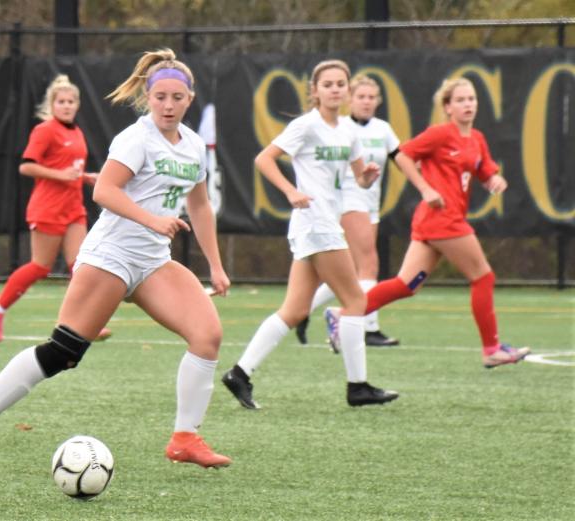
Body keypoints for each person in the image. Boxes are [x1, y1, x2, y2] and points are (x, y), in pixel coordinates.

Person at [0, 49, 233, 469]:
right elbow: (104, 191)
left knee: (207, 336)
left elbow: (199, 206)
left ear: (190, 98)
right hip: (112, 256)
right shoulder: (136, 139)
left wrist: (215, 265)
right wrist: (152, 220)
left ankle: (185, 438)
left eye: (177, 97)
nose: (169, 105)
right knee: (64, 352)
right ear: (147, 96)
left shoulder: (193, 146)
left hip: (153, 263)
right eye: (160, 97)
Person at [221, 60, 399, 411]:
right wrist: (290, 191)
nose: (335, 89)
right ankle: (358, 387)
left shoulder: (349, 131)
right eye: (327, 84)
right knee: (356, 302)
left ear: (347, 90)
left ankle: (239, 373)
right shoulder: (306, 126)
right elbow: (264, 159)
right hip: (316, 224)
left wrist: (368, 177)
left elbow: (359, 176)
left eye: (340, 84)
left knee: (295, 309)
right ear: (314, 91)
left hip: (323, 223)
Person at [325, 78, 530, 369]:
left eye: (471, 99)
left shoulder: (476, 138)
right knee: (483, 277)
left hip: (437, 222)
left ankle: (343, 314)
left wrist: (492, 178)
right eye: (460, 100)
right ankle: (492, 349)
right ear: (447, 107)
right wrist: (425, 188)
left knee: (406, 285)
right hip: (442, 219)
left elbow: (483, 167)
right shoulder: (440, 134)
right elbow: (405, 155)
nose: (468, 105)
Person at [0, 75, 109, 342]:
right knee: (41, 266)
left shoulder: (76, 132)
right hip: (48, 207)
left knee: (81, 265)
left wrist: (86, 177)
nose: (66, 105)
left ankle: (84, 323)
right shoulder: (45, 130)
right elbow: (26, 166)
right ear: (52, 105)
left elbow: (71, 167)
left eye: (71, 101)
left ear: (77, 105)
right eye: (61, 101)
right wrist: (61, 176)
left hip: (74, 207)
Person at [295, 75, 402, 348]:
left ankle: (303, 310)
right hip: (349, 201)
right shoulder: (338, 128)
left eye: (371, 97)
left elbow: (402, 159)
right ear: (350, 99)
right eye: (361, 96)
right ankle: (368, 326)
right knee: (369, 266)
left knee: (350, 273)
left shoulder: (381, 128)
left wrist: (425, 184)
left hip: (370, 202)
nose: (366, 102)